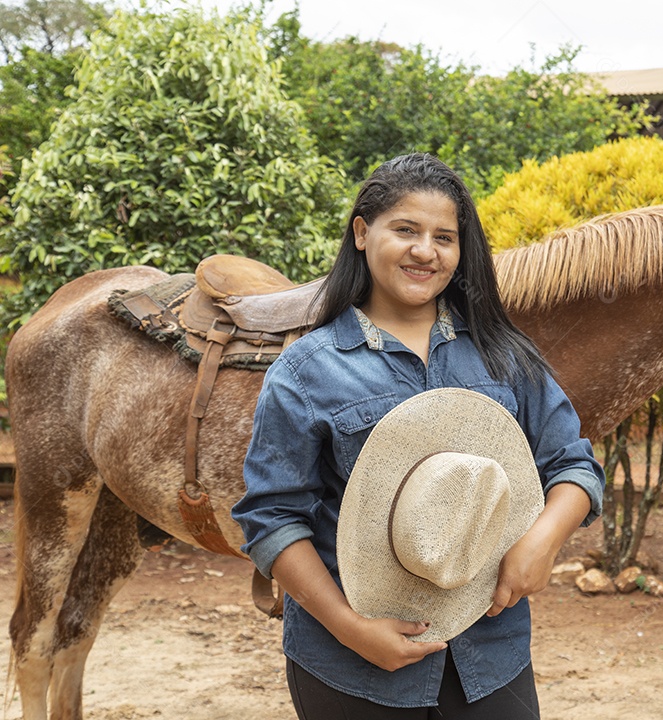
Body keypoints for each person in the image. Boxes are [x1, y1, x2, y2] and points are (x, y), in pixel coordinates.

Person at [232, 152, 605, 719]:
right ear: (362, 233)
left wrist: (543, 540)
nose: (425, 251)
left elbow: (573, 464)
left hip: (492, 653)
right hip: (350, 666)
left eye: (444, 237)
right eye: (405, 230)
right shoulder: (306, 372)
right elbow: (272, 518)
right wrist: (351, 628)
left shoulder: (503, 355)